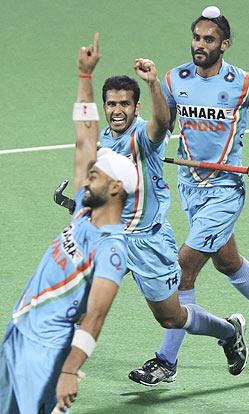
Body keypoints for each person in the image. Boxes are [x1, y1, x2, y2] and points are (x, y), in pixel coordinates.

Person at [57, 34, 249, 385]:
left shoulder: (144, 135)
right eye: (111, 104)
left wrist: (153, 83)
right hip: (111, 239)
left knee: (172, 318)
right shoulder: (103, 142)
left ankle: (227, 331)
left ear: (136, 107)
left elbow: (162, 122)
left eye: (125, 104)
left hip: (148, 243)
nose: (117, 110)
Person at [128, 6, 249, 386]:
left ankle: (166, 361)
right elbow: (162, 124)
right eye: (196, 38)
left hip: (224, 192)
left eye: (208, 40)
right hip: (191, 187)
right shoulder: (175, 80)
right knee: (227, 260)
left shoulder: (245, 82)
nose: (200, 45)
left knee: (183, 268)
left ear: (224, 44)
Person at [0, 34, 139, 413]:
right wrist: (84, 75)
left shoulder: (112, 250)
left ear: (115, 188)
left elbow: (96, 316)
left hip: (46, 353)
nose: (85, 176)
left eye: (94, 175)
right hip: (18, 330)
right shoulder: (82, 209)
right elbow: (84, 138)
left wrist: (70, 370)